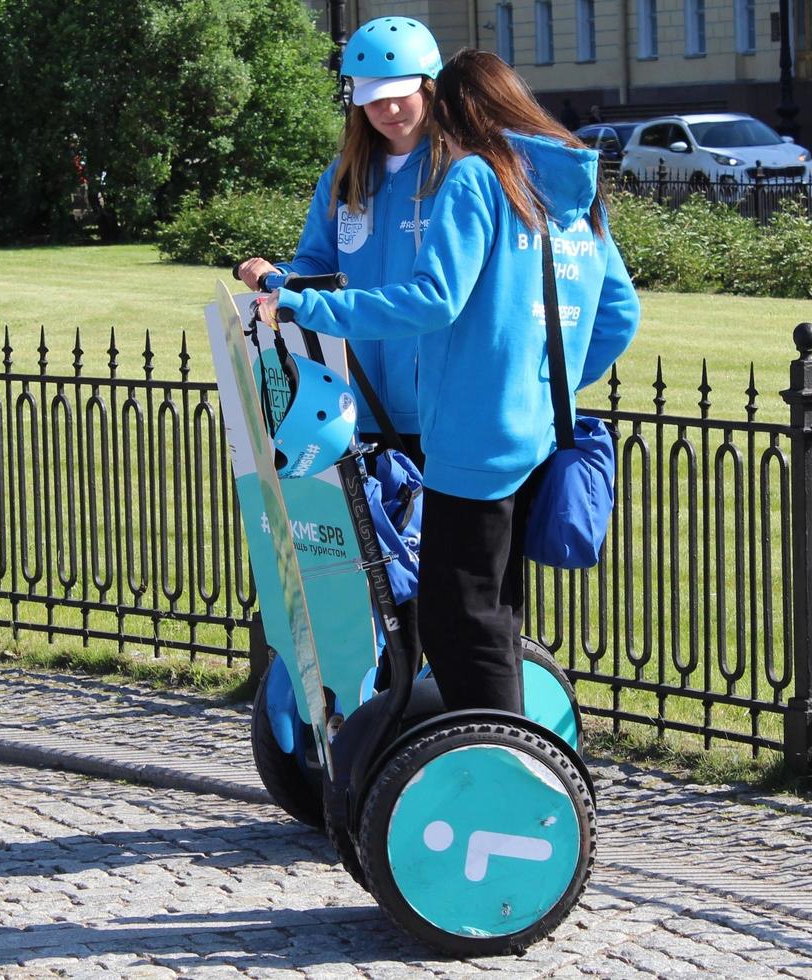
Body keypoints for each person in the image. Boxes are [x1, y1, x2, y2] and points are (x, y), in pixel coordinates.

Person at [259, 48, 640, 715]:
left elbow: (431, 301)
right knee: (493, 610)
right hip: (536, 430)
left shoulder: (474, 178)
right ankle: (508, 755)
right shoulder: (566, 186)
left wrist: (301, 303)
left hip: (471, 435)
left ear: (453, 106)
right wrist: (540, 382)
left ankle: (500, 772)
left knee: (459, 619)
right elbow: (615, 316)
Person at [234, 15, 445, 470]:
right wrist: (280, 278)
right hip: (351, 396)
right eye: (373, 100)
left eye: (398, 95)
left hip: (438, 406)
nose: (388, 111)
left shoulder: (456, 174)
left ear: (430, 88)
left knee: (436, 542)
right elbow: (315, 262)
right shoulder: (342, 176)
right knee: (375, 540)